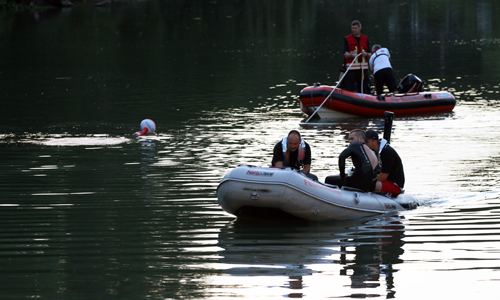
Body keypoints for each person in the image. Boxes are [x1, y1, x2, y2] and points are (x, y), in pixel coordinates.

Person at [364, 130, 405, 196]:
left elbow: (383, 177)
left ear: (374, 142)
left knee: (367, 183)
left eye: (367, 142)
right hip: (385, 181)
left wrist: (365, 178)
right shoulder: (376, 152)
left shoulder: (387, 152)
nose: (365, 145)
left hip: (395, 185)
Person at [342, 20, 372, 94]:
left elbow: (370, 54)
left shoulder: (365, 39)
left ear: (360, 28)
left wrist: (366, 54)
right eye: (353, 28)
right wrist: (351, 55)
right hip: (351, 69)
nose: (354, 30)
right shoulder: (347, 39)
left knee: (363, 88)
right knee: (350, 88)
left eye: (355, 28)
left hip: (363, 69)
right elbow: (345, 54)